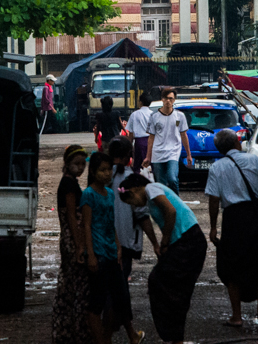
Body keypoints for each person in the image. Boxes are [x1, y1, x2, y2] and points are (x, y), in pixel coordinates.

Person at [118, 172, 207, 344]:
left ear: (136, 189)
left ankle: (172, 334)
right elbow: (150, 220)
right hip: (185, 242)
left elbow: (170, 211)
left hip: (188, 240)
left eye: (130, 200)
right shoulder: (151, 198)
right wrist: (159, 245)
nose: (133, 205)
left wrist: (164, 242)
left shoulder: (152, 188)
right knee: (174, 289)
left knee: (162, 283)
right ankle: (174, 335)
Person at [205, 128, 258, 327]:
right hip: (255, 214)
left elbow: (214, 199)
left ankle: (237, 316)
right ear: (237, 143)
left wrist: (213, 227)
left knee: (232, 266)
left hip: (233, 219)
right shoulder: (253, 160)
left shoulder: (216, 168)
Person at [80, 152, 144, 344]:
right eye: (102, 170)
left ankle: (120, 335)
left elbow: (111, 223)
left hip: (111, 252)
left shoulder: (109, 194)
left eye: (108, 170)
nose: (107, 174)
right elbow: (87, 225)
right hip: (98, 253)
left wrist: (118, 247)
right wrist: (90, 254)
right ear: (93, 171)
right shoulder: (88, 195)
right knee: (97, 302)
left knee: (120, 297)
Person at [53, 145, 91, 344]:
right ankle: (74, 330)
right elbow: (70, 215)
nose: (80, 168)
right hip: (71, 239)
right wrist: (79, 246)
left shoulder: (70, 182)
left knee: (69, 284)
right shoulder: (68, 185)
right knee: (75, 285)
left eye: (83, 164)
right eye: (76, 164)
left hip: (70, 239)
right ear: (67, 164)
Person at [107, 137, 157, 281]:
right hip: (125, 240)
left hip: (103, 240)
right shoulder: (132, 180)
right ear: (129, 155)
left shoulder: (103, 177)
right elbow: (142, 215)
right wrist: (155, 243)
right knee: (121, 286)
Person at [145, 87, 192, 193]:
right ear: (162, 99)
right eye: (166, 98)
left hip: (173, 152)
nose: (168, 101)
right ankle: (163, 206)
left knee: (172, 178)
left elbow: (184, 135)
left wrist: (189, 154)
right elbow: (151, 138)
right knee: (160, 183)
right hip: (157, 154)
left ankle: (176, 202)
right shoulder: (154, 116)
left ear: (174, 100)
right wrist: (148, 157)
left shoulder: (180, 116)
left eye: (171, 98)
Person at [124, 90, 155, 172]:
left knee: (138, 166)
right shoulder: (153, 114)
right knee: (151, 166)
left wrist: (128, 147)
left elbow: (130, 134)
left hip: (139, 142)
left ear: (140, 102)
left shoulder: (135, 114)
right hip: (152, 142)